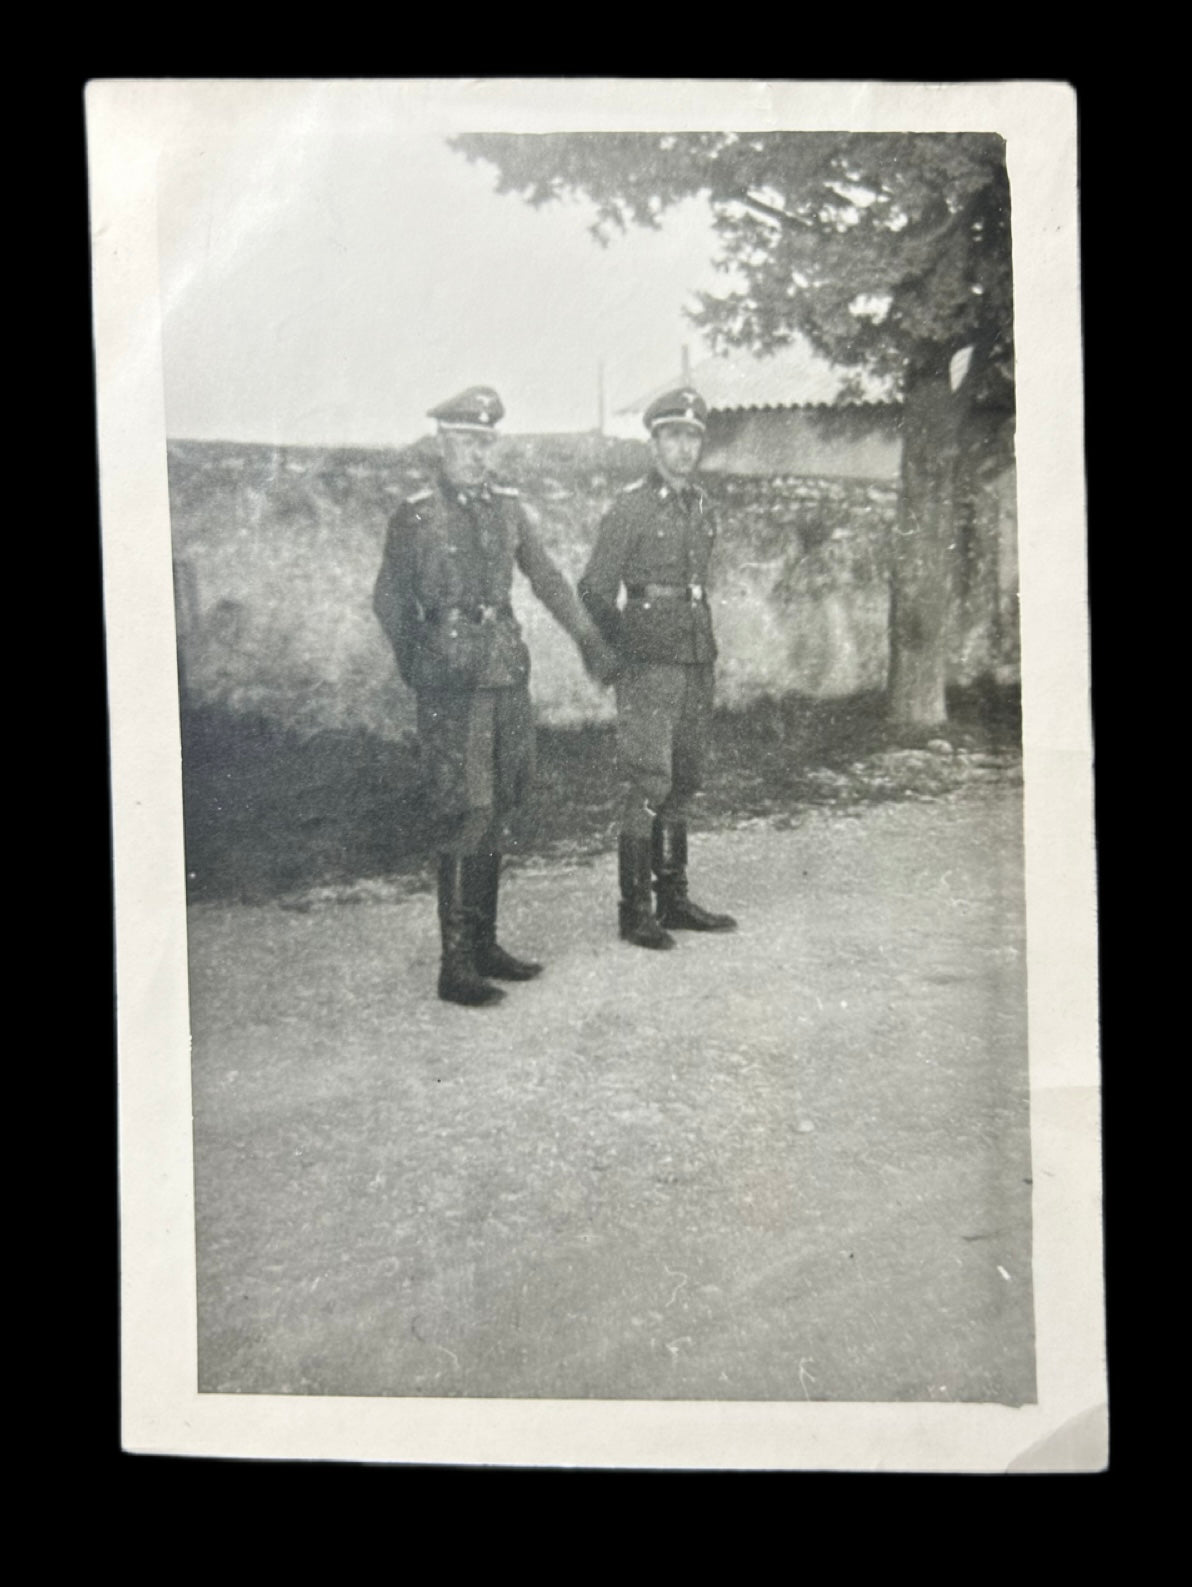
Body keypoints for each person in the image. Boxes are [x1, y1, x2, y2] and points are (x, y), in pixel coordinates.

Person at [373, 386, 618, 1007]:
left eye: (485, 443)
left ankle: (483, 945)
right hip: (449, 681)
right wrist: (419, 666)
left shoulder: (508, 510)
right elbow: (391, 601)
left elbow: (547, 578)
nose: (476, 456)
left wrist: (588, 637)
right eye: (464, 442)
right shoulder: (417, 513)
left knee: (502, 801)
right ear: (440, 444)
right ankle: (455, 964)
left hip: (506, 671)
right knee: (466, 809)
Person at [578, 387, 737, 950]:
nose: (684, 447)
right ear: (653, 443)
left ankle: (673, 899)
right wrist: (625, 651)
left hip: (695, 654)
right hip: (649, 661)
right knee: (649, 779)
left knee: (686, 776)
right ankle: (634, 910)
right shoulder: (631, 507)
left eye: (693, 437)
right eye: (673, 436)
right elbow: (594, 589)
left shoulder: (701, 506)